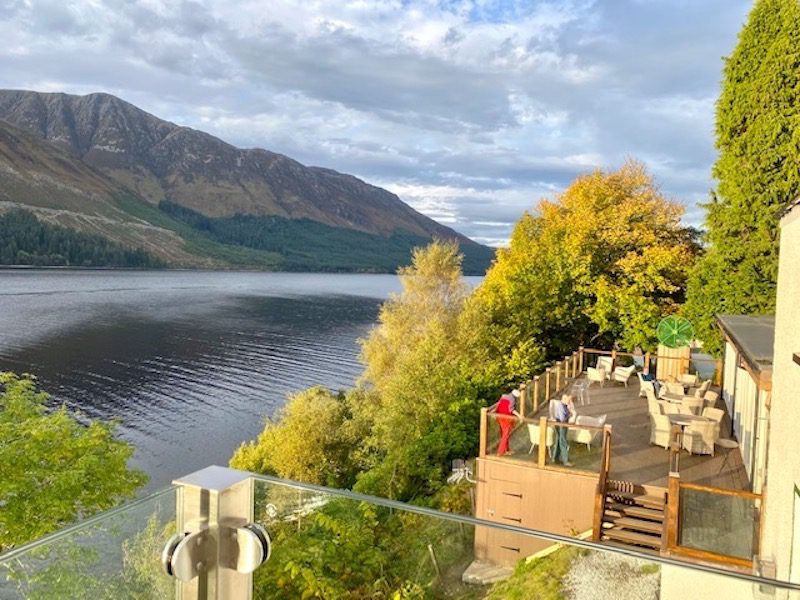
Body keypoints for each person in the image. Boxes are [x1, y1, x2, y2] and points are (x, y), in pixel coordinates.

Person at [495, 389, 521, 456]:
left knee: (504, 434)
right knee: (505, 435)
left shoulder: (504, 397)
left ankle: (506, 450)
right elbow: (511, 409)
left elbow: (498, 406)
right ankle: (500, 452)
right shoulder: (512, 399)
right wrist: (519, 416)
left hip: (500, 417)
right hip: (506, 419)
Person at [553, 394, 576, 466]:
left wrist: (570, 407)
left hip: (562, 424)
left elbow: (571, 409)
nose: (570, 402)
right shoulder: (561, 406)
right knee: (563, 441)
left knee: (559, 441)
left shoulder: (565, 405)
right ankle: (566, 460)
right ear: (564, 399)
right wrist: (570, 414)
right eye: (569, 400)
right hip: (561, 425)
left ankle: (555, 458)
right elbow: (563, 419)